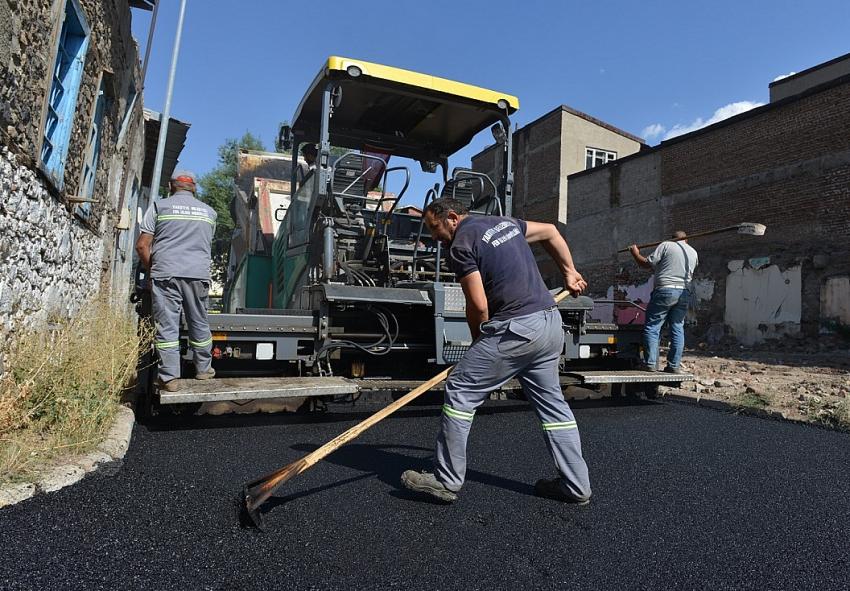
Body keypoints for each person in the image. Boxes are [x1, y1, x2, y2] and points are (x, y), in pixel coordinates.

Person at [401, 198, 593, 505]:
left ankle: (446, 481)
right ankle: (576, 486)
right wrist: (569, 272)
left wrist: (480, 344)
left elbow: (478, 305)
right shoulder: (505, 223)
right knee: (553, 407)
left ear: (452, 217)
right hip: (548, 324)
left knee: (461, 390)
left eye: (435, 228)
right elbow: (551, 232)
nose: (434, 238)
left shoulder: (461, 244)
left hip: (514, 329)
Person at [135, 170, 218, 392]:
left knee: (168, 326)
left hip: (166, 274)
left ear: (171, 187)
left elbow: (142, 245)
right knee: (199, 321)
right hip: (198, 274)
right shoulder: (210, 213)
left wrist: (152, 269)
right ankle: (203, 370)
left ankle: (170, 378)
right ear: (194, 189)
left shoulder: (159, 207)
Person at [629, 231, 699, 373]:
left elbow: (647, 264)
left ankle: (650, 363)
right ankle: (673, 366)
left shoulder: (666, 245)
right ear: (686, 240)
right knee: (677, 327)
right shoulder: (693, 252)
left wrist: (635, 253)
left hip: (665, 291)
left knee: (653, 326)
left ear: (673, 239)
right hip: (684, 292)